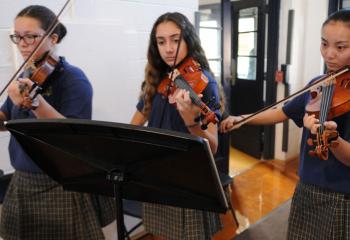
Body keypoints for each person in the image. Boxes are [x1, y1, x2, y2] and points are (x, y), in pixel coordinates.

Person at [220, 9, 350, 240]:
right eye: (324, 44)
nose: (329, 54)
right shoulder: (317, 85)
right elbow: (282, 111)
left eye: (341, 47)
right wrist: (243, 119)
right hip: (307, 187)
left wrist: (334, 140)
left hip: (342, 197)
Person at [0, 5, 115, 240]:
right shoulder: (25, 75)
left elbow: (71, 136)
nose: (22, 43)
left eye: (30, 36)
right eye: (18, 37)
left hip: (58, 184)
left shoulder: (73, 79)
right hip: (22, 181)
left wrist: (35, 102)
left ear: (52, 38)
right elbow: (6, 120)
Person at [130, 12, 222, 240]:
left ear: (189, 40)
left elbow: (212, 147)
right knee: (162, 233)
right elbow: (138, 119)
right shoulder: (157, 79)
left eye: (175, 39)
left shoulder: (204, 83)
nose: (168, 48)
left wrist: (191, 121)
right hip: (158, 172)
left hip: (188, 177)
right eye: (161, 42)